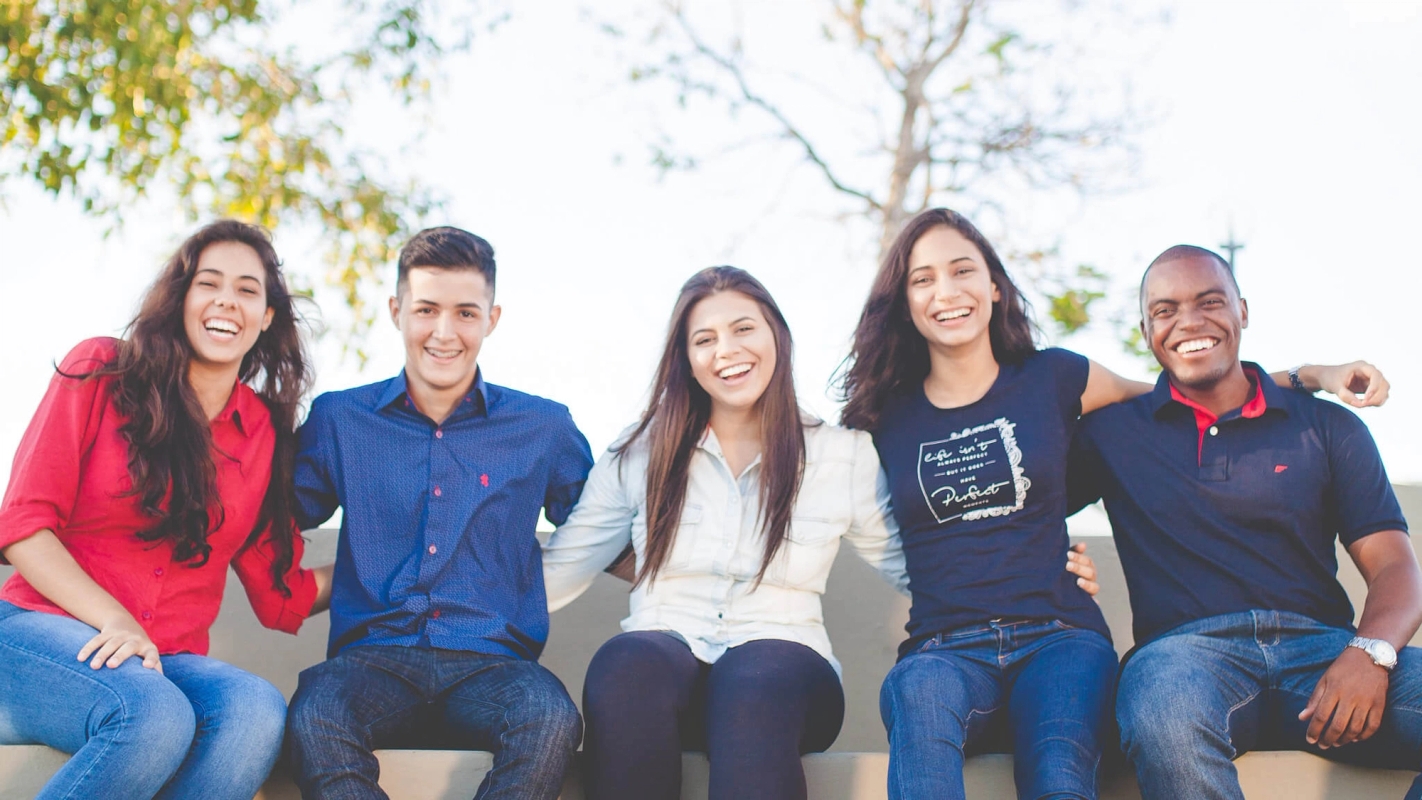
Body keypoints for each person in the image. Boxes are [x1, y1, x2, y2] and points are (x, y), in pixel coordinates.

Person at [837, 208, 1386, 800]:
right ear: (904, 301)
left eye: (962, 270)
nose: (946, 291)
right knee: (917, 698)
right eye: (923, 279)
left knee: (1059, 770)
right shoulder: (881, 417)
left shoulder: (1056, 376)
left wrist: (1310, 375)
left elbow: (1189, 388)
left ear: (994, 286)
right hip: (943, 646)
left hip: (1058, 635)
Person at [539, 266, 1102, 800]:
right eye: (704, 339)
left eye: (743, 329)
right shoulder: (639, 453)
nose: (726, 350)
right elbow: (561, 569)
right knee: (625, 664)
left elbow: (922, 565)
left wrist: (1039, 565)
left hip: (786, 672)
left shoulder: (840, 455)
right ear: (686, 359)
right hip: (665, 668)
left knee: (752, 679)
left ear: (777, 337)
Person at [1068, 245, 1420, 800]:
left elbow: (1395, 566)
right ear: (1146, 330)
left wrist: (1370, 653)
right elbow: (1013, 503)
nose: (1189, 321)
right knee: (1164, 713)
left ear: (1243, 311)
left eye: (1210, 302)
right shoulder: (1111, 434)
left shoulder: (1327, 426)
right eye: (1165, 310)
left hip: (1324, 652)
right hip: (1184, 659)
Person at [0, 220, 332, 800]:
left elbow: (282, 594)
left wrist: (389, 560)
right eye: (209, 283)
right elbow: (23, 526)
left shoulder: (262, 433)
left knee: (255, 712)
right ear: (181, 298)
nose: (226, 300)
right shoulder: (102, 369)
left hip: (163, 661)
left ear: (266, 317)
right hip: (38, 634)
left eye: (247, 289)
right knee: (154, 715)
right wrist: (115, 619)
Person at [284, 226, 594, 800]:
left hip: (493, 665)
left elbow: (605, 529)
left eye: (465, 313)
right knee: (314, 714)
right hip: (371, 661)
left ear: (491, 319)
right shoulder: (339, 419)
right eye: (426, 309)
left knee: (550, 720)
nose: (444, 332)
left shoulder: (544, 427)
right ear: (396, 311)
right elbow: (267, 517)